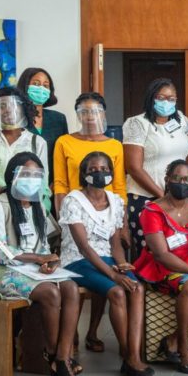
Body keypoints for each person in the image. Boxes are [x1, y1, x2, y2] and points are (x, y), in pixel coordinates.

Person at [0, 152, 83, 376]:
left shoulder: (38, 207)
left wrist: (48, 261)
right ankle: (55, 356)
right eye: (26, 173)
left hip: (32, 271)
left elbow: (45, 246)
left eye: (36, 175)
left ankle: (64, 355)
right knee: (51, 293)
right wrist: (37, 257)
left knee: (71, 288)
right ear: (12, 176)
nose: (31, 179)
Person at [60, 152, 152, 376]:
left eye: (104, 168)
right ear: (84, 173)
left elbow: (115, 242)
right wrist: (113, 274)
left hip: (109, 259)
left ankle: (133, 352)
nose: (99, 173)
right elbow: (83, 247)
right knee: (117, 292)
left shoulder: (115, 201)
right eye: (93, 169)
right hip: (78, 261)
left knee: (137, 288)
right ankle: (129, 356)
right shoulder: (73, 200)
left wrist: (121, 265)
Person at [52, 92, 127, 352]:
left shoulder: (115, 145)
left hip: (106, 212)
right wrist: (64, 216)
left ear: (103, 114)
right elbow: (60, 181)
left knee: (105, 270)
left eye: (95, 111)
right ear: (78, 115)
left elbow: (118, 185)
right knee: (82, 269)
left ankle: (93, 331)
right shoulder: (65, 142)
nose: (89, 116)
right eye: (83, 111)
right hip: (76, 213)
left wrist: (121, 221)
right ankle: (71, 335)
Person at [133, 160, 188, 374]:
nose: (183, 184)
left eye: (187, 180)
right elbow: (161, 254)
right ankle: (184, 346)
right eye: (177, 179)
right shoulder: (152, 211)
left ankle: (173, 339)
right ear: (167, 180)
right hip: (161, 266)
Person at [123, 78, 188, 259]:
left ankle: (171, 285)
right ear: (151, 98)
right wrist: (163, 197)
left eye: (172, 98)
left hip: (178, 198)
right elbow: (133, 167)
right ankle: (147, 286)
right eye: (161, 97)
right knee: (149, 252)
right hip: (146, 198)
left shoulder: (181, 120)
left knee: (175, 247)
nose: (166, 102)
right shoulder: (137, 123)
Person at [0, 87, 50, 208]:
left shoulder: (37, 143)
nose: (7, 110)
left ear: (23, 109)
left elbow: (42, 184)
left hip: (25, 208)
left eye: (14, 105)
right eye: (2, 106)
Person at [16, 67, 68, 187]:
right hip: (23, 183)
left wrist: (57, 183)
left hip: (53, 185)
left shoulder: (58, 119)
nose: (41, 89)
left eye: (46, 85)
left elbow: (63, 153)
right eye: (36, 84)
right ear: (25, 86)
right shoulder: (16, 119)